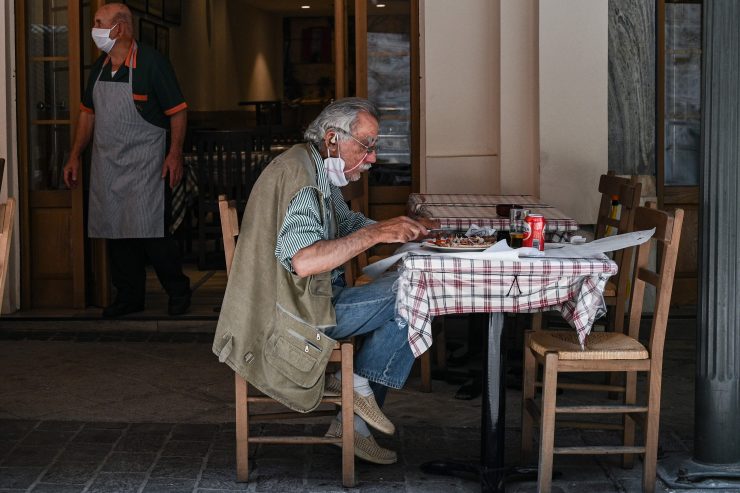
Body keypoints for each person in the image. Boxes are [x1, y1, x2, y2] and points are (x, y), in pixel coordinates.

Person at [213, 98, 433, 465]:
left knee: (415, 293)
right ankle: (355, 398)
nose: (372, 158)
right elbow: (305, 261)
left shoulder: (315, 166)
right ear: (333, 139)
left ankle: (354, 407)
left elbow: (345, 226)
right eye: (366, 145)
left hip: (311, 302)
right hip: (288, 318)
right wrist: (378, 235)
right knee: (418, 290)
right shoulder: (300, 176)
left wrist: (401, 231)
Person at [63, 3, 190, 318]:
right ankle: (129, 296)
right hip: (108, 164)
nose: (94, 28)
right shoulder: (101, 66)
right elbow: (87, 113)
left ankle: (178, 291)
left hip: (147, 164)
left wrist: (174, 154)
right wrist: (75, 155)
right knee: (117, 232)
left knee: (154, 235)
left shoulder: (152, 63)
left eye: (98, 23)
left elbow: (178, 112)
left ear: (118, 28)